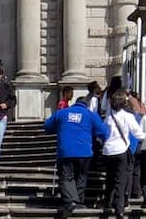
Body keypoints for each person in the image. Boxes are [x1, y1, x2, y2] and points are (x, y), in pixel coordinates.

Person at [44, 88, 108, 216]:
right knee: (81, 177)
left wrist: (59, 128)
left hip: (66, 150)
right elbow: (104, 132)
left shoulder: (62, 113)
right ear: (86, 105)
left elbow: (47, 126)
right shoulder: (91, 115)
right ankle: (79, 201)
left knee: (66, 177)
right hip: (85, 152)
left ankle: (70, 201)